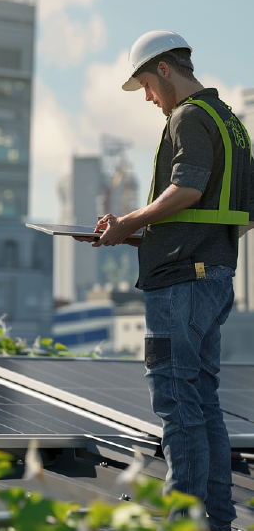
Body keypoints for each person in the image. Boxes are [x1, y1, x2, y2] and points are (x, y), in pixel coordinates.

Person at [76, 30, 254, 529]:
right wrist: (139, 238)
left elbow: (189, 188)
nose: (150, 99)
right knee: (204, 406)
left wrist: (128, 223)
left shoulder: (189, 116)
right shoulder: (230, 123)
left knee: (179, 409)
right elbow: (233, 213)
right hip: (214, 278)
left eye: (148, 87)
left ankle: (185, 524)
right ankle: (217, 521)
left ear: (165, 70)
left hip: (179, 287)